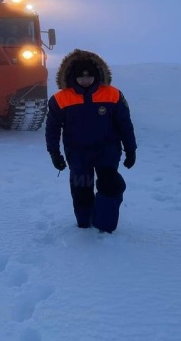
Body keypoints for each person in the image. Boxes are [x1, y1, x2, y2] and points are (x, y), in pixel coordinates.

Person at [45, 49, 137, 233]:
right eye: (81, 77)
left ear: (96, 75)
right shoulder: (60, 99)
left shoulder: (113, 95)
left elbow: (125, 124)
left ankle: (104, 225)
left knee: (110, 185)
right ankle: (85, 223)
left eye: (89, 76)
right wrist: (55, 153)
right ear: (73, 77)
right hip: (78, 153)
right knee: (82, 189)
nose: (85, 80)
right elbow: (52, 129)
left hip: (107, 151)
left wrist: (130, 149)